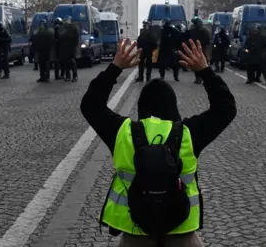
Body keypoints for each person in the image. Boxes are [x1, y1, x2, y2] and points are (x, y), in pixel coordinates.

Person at [80, 39, 236, 247]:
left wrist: (115, 67)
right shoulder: (188, 133)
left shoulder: (123, 132)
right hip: (181, 228)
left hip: (134, 228)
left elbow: (91, 105)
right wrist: (205, 71)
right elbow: (225, 108)